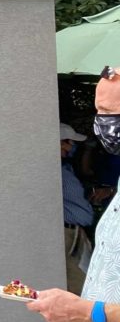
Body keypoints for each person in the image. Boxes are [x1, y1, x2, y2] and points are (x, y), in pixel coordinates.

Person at [62, 123, 94, 294]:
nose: (72, 146)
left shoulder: (66, 169)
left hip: (75, 233)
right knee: (79, 287)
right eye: (69, 142)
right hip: (67, 234)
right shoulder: (56, 173)